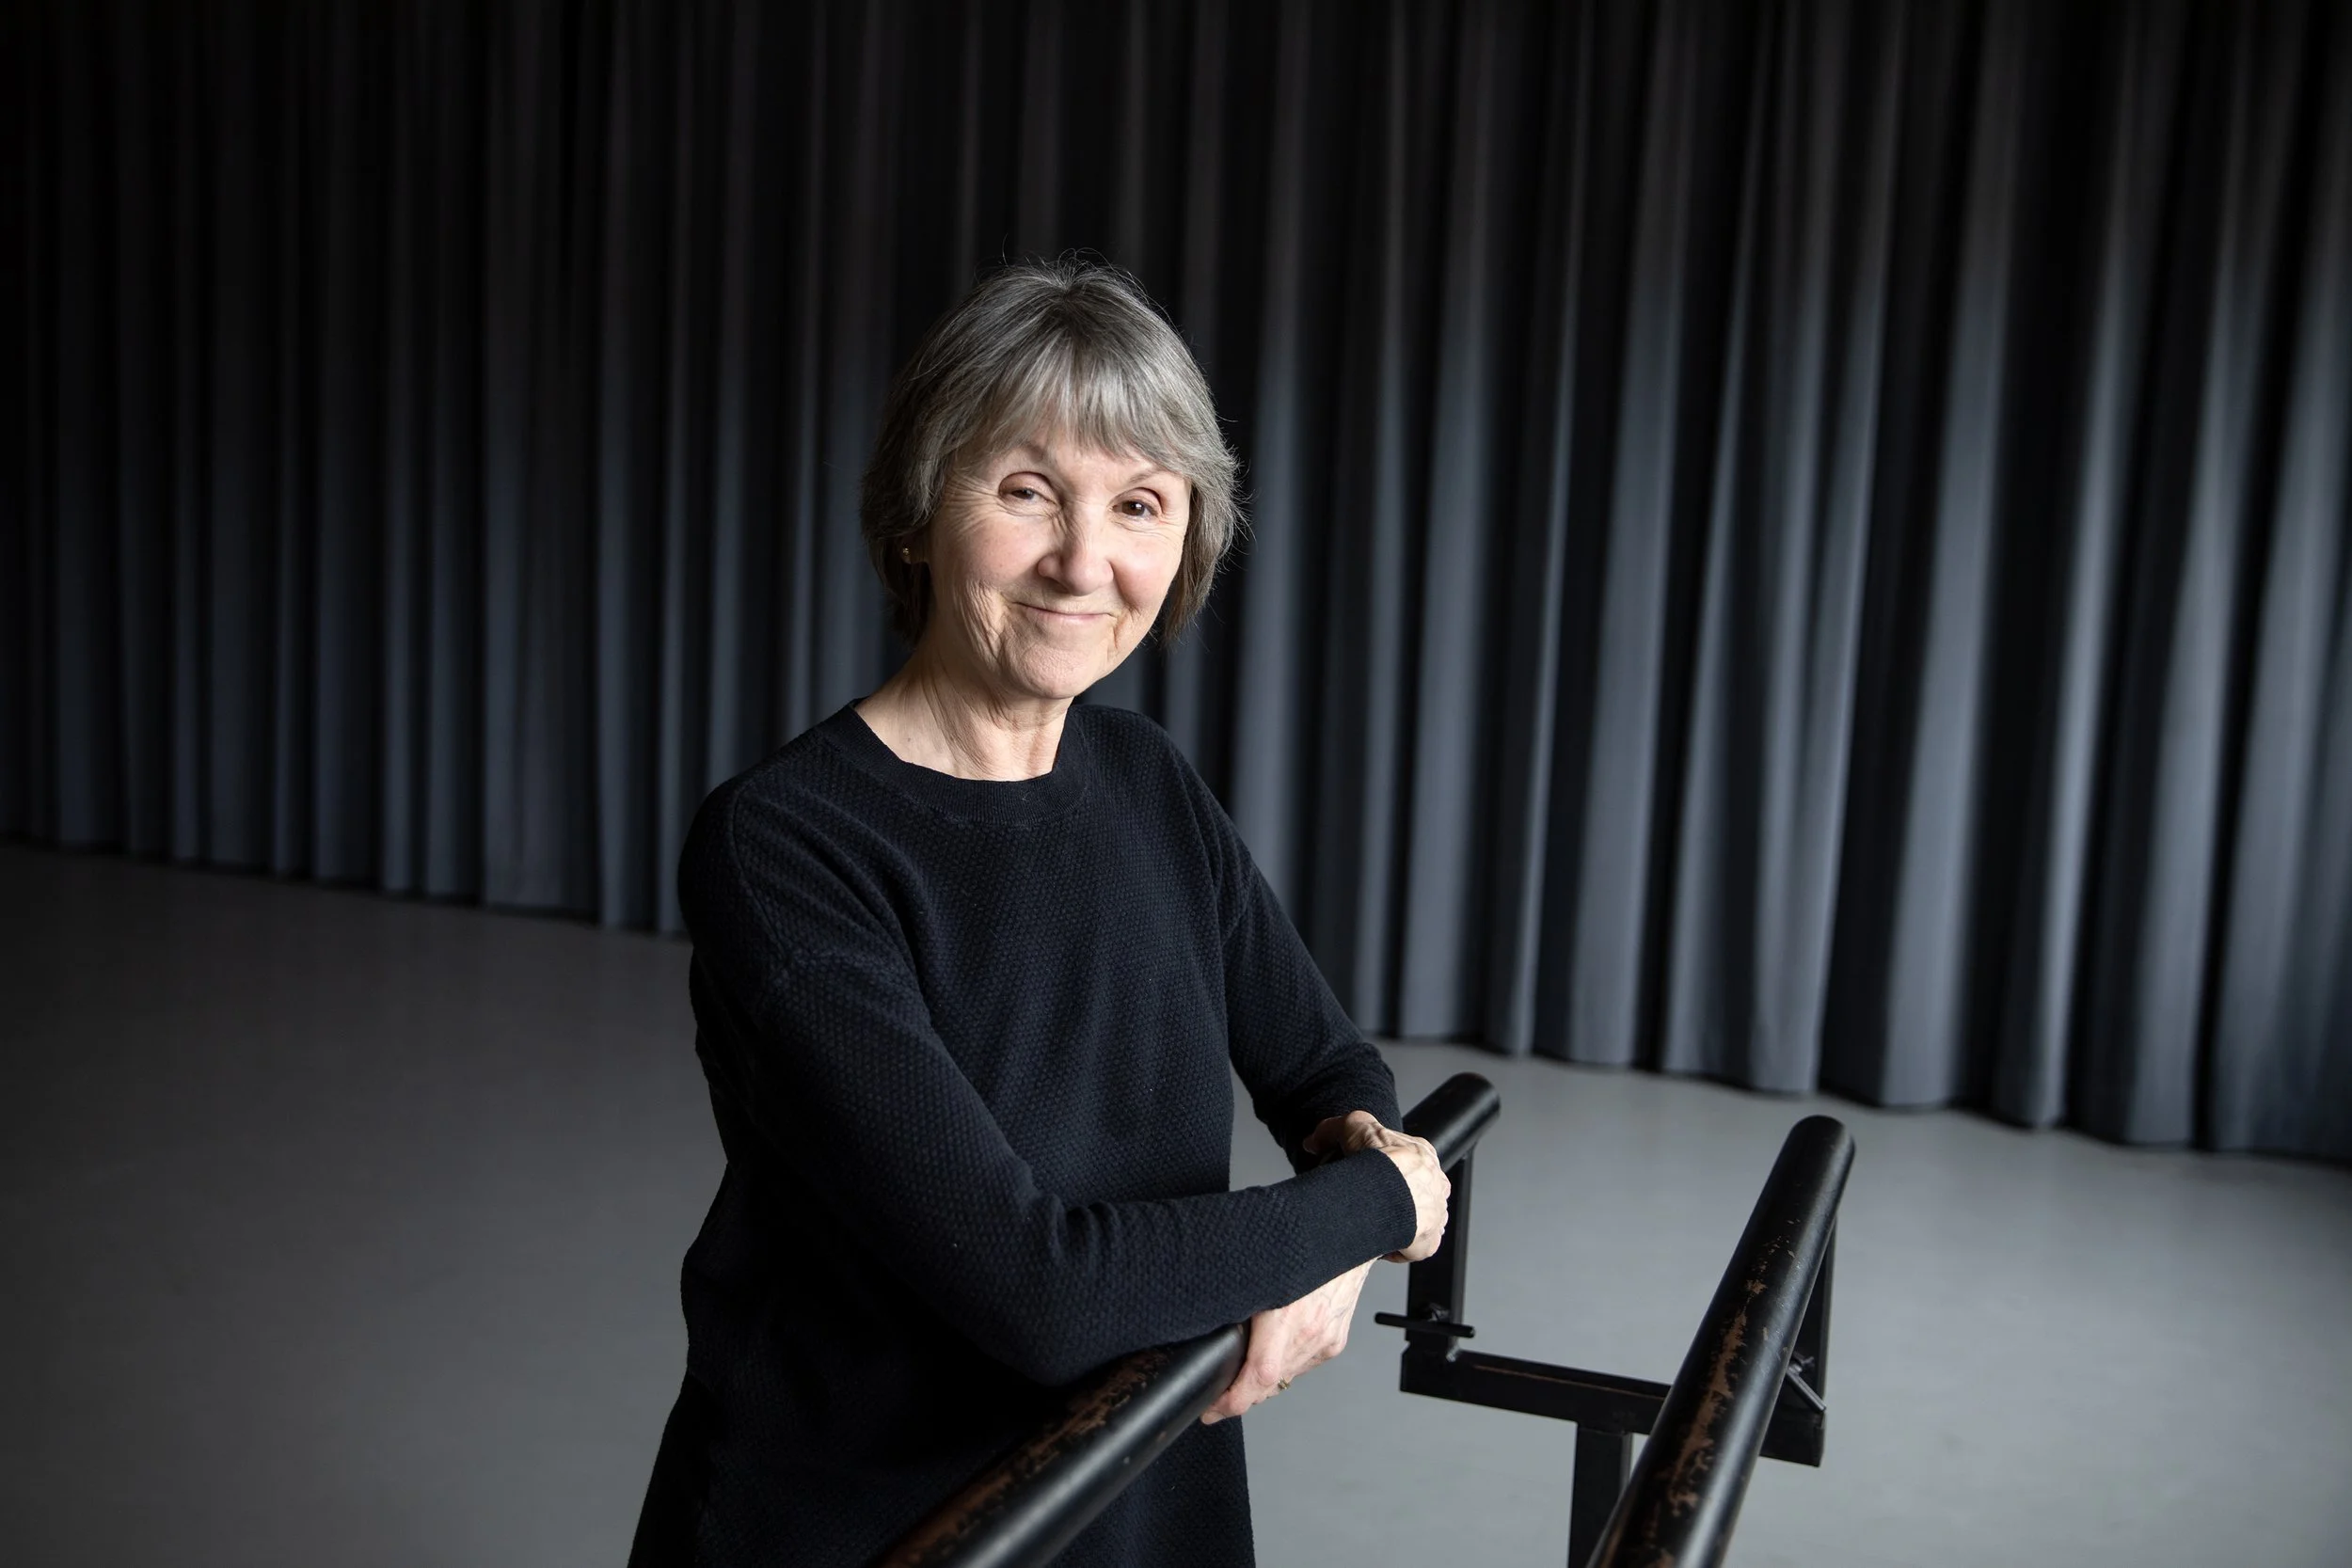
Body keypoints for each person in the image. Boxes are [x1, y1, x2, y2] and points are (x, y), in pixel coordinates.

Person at [626, 258, 1452, 1568]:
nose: (1083, 561)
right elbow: (1038, 1286)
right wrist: (1370, 1209)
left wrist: (1338, 1230)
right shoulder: (783, 844)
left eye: (1138, 503)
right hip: (882, 1521)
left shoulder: (1147, 782)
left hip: (1141, 1482)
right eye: (1025, 492)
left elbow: (1324, 1065)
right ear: (916, 512)